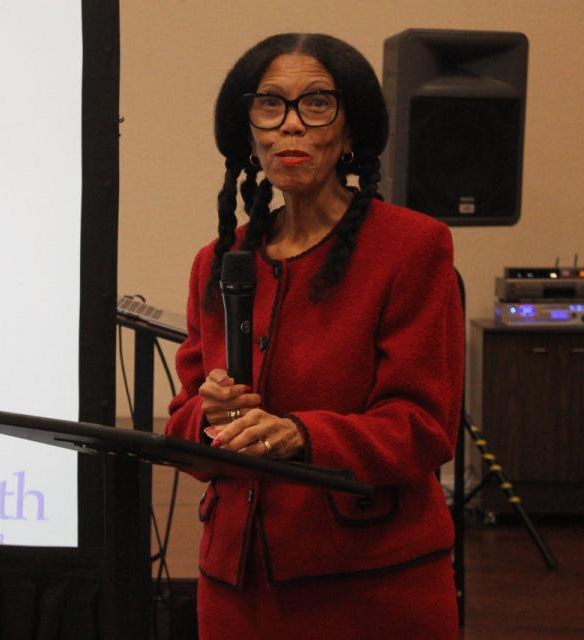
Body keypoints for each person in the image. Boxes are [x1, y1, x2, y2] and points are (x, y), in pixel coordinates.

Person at [165, 33, 464, 639]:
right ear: (248, 132)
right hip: (236, 589)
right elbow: (182, 425)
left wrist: (299, 435)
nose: (290, 127)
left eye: (317, 104)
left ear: (351, 130)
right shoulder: (218, 260)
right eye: (270, 105)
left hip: (370, 586)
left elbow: (422, 426)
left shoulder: (411, 249)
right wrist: (208, 415)